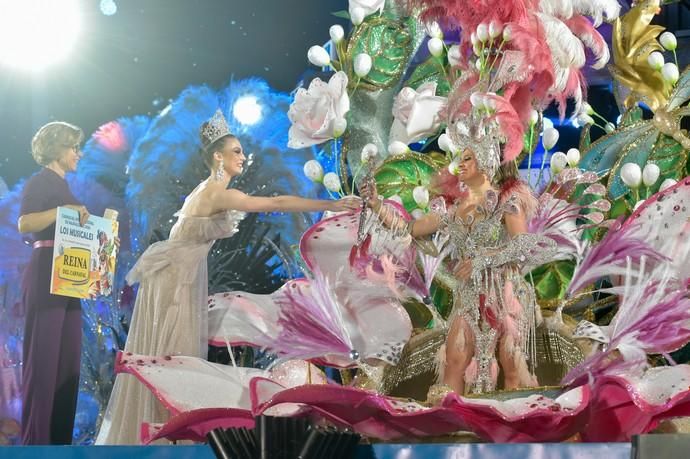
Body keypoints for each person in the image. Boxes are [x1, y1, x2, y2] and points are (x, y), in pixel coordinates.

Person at [96, 109, 360, 444]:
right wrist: (331, 205)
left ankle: (166, 432)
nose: (242, 156)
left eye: (241, 150)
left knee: (175, 353)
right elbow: (275, 201)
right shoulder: (217, 192)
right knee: (175, 354)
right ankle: (165, 436)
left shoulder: (205, 190)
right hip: (177, 279)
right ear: (217, 157)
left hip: (178, 273)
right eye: (235, 151)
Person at [362, 121, 554, 399]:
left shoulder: (507, 200)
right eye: (458, 158)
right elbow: (408, 229)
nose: (459, 165)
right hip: (469, 296)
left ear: (487, 160)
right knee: (455, 357)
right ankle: (454, 423)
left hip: (506, 293)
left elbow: (526, 245)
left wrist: (485, 259)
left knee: (511, 361)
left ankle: (519, 424)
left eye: (467, 158)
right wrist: (377, 205)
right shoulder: (452, 209)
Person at [17, 121, 90, 445]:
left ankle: (59, 444)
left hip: (70, 279)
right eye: (73, 146)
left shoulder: (65, 187)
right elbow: (25, 223)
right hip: (46, 273)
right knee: (44, 361)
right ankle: (36, 444)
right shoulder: (41, 181)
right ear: (57, 147)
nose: (79, 153)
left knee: (67, 365)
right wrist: (64, 210)